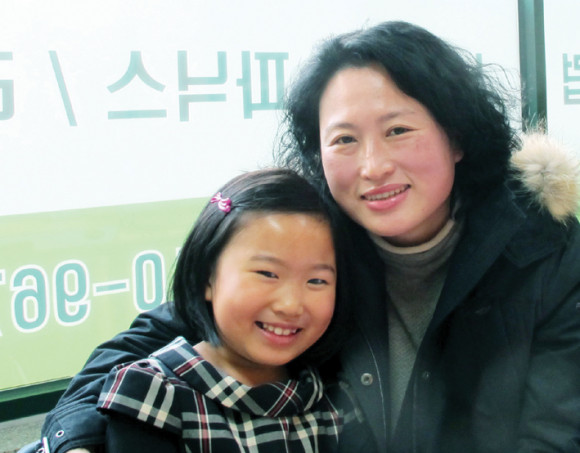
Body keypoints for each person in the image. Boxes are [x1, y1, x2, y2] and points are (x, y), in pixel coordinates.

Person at [36, 21, 580, 453]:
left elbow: (557, 431)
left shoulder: (544, 252)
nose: (372, 167)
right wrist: (76, 441)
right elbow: (144, 346)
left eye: (398, 130)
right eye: (344, 140)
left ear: (456, 137)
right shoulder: (311, 240)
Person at [89, 168, 369, 452]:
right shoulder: (154, 395)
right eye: (267, 274)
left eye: (317, 281)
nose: (290, 305)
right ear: (206, 277)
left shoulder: (334, 399)